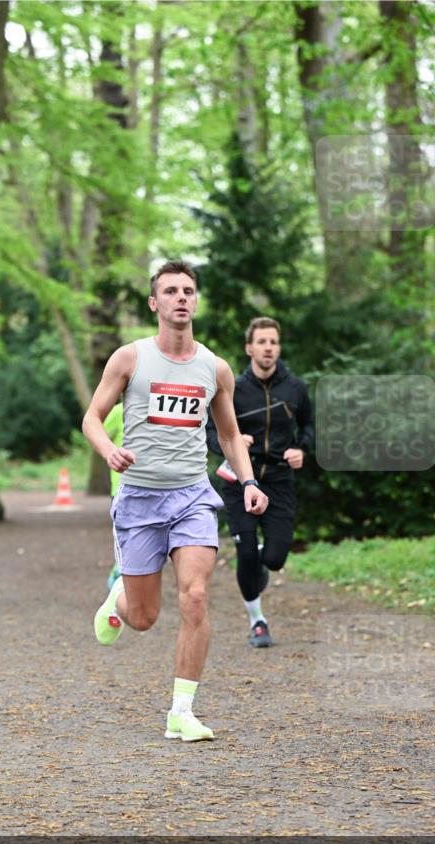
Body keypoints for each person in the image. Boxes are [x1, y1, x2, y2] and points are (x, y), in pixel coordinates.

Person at [82, 260, 268, 742]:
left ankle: (181, 711)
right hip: (140, 499)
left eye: (188, 290)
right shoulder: (130, 358)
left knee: (197, 595)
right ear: (155, 303)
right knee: (144, 619)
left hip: (191, 497)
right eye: (170, 291)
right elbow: (92, 418)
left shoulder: (215, 367)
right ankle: (119, 600)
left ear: (195, 301)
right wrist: (108, 449)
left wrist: (248, 482)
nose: (180, 297)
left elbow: (228, 435)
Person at [206, 317, 313, 648]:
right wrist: (235, 441)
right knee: (246, 552)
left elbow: (310, 426)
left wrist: (301, 449)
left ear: (278, 348)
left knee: (275, 558)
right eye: (262, 342)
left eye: (274, 342)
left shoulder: (296, 389)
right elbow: (211, 432)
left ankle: (260, 558)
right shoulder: (233, 388)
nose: (268, 347)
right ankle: (257, 621)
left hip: (280, 480)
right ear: (249, 348)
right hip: (239, 480)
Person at [103, 401, 124, 591]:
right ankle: (118, 575)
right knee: (125, 538)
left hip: (153, 486)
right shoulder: (118, 411)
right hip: (121, 488)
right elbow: (100, 435)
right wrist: (113, 453)